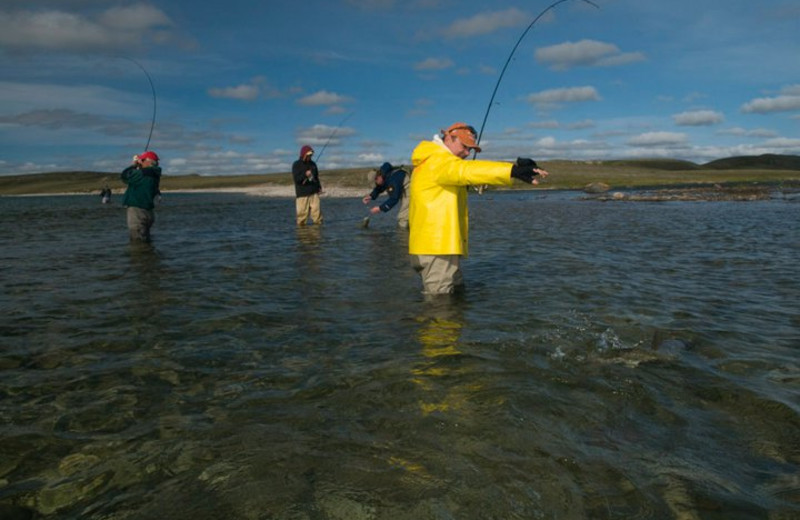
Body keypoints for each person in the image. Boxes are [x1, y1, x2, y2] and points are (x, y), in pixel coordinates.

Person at [409, 122, 549, 295]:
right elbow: (464, 171)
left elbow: (463, 174)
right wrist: (512, 170)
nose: (467, 153)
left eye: (470, 149)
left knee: (455, 293)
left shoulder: (432, 162)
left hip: (431, 245)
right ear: (450, 138)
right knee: (440, 304)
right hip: (437, 247)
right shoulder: (439, 161)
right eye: (465, 146)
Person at [121, 150, 162, 243]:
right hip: (148, 212)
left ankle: (141, 256)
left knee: (137, 242)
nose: (141, 162)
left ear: (148, 161)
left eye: (142, 160)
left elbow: (125, 176)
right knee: (145, 240)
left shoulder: (144, 173)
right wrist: (140, 164)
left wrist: (134, 165)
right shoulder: (155, 174)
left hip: (138, 211)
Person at [362, 162, 410, 229]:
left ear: (378, 178)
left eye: (376, 184)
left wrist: (380, 208)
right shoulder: (384, 174)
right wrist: (371, 196)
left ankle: (403, 236)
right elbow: (380, 187)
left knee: (402, 217)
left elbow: (394, 199)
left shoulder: (393, 180)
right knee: (408, 213)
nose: (377, 186)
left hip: (409, 188)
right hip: (401, 187)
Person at [292, 145, 323, 225]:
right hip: (302, 194)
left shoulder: (313, 164)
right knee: (302, 217)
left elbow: (316, 177)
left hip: (314, 193)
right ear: (304, 154)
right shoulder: (296, 165)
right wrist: (305, 175)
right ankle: (303, 235)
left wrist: (319, 187)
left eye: (311, 155)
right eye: (308, 155)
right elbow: (297, 179)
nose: (310, 156)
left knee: (317, 215)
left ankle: (317, 232)